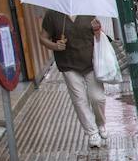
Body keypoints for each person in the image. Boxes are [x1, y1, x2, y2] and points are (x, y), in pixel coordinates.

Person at [40, 11, 107, 149]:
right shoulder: (52, 14)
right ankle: (92, 132)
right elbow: (43, 38)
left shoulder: (87, 10)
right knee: (79, 99)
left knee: (98, 98)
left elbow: (99, 37)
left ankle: (100, 123)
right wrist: (55, 46)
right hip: (68, 64)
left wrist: (97, 30)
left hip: (92, 63)